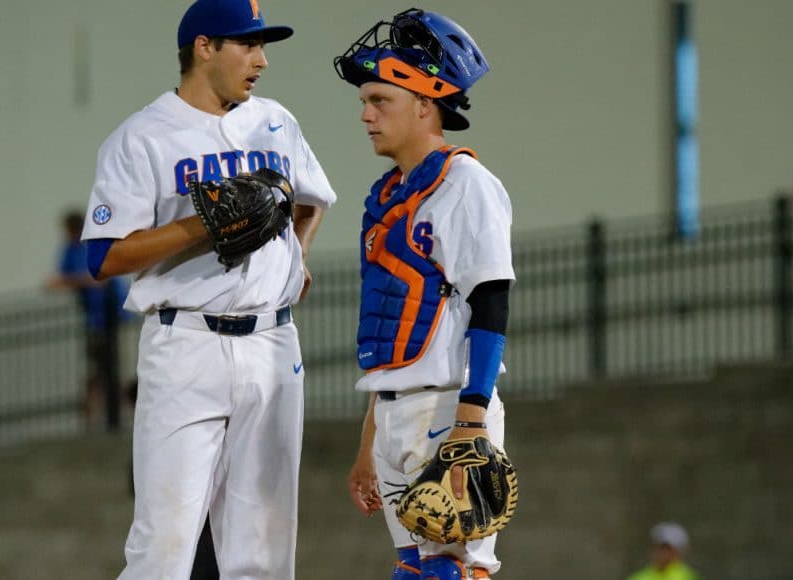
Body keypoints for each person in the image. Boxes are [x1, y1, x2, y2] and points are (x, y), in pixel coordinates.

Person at [80, 0, 336, 577]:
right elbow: (104, 255)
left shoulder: (275, 121)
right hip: (186, 346)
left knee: (265, 554)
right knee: (162, 553)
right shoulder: (143, 136)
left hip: (272, 344)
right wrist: (197, 226)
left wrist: (296, 257)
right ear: (204, 47)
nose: (262, 60)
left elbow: (312, 199)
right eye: (248, 45)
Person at [336, 9, 514, 579]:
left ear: (424, 103)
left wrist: (472, 419)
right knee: (413, 571)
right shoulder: (386, 196)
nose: (365, 114)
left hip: (446, 407)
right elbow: (391, 331)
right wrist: (369, 441)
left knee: (455, 571)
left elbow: (491, 299)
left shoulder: (465, 183)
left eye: (379, 100)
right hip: (394, 412)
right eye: (364, 101)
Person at [46, 209, 130, 428]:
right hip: (94, 320)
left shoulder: (90, 244)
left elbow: (98, 278)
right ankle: (104, 411)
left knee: (105, 368)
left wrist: (74, 281)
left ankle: (107, 412)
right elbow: (60, 280)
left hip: (109, 317)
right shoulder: (70, 251)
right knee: (102, 367)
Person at [626, 522, 700, 580]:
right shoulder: (638, 578)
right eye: (659, 547)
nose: (662, 553)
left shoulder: (689, 577)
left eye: (668, 548)